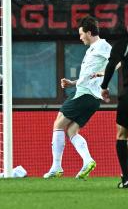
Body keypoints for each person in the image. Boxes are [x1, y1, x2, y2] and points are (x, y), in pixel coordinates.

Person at [44, 16, 111, 180]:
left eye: (81, 34)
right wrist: (72, 83)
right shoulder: (91, 50)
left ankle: (56, 167)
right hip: (87, 94)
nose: (80, 37)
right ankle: (88, 161)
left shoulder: (103, 45)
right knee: (72, 130)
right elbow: (88, 75)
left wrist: (104, 73)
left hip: (86, 94)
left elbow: (118, 61)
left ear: (89, 32)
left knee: (58, 124)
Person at [95, 35, 128, 188]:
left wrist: (104, 86)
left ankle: (127, 178)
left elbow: (112, 63)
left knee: (122, 135)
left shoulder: (123, 42)